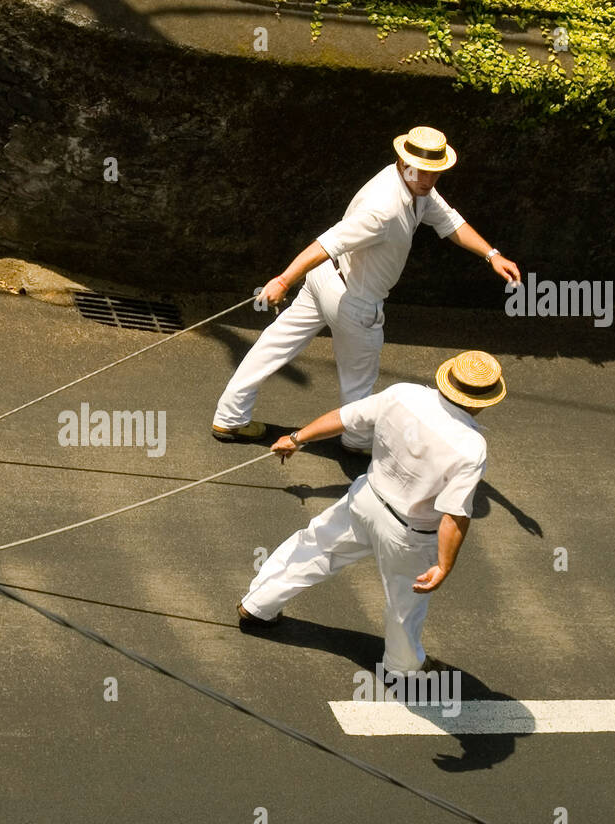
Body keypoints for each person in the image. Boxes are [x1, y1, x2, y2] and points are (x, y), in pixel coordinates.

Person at [212, 127, 521, 452]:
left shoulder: (415, 184)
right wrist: (283, 280)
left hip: (324, 280)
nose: (429, 180)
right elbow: (326, 243)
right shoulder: (383, 210)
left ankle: (230, 416)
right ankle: (357, 441)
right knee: (359, 381)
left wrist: (492, 255)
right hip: (354, 302)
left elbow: (449, 221)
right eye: (424, 172)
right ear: (403, 162)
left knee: (273, 345)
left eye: (435, 173)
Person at [237, 350, 506, 676]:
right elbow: (454, 514)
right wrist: (444, 565)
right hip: (409, 533)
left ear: (446, 378)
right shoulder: (470, 446)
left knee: (315, 547)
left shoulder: (403, 394)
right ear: (483, 401)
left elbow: (345, 417)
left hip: (365, 497)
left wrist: (297, 438)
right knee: (405, 603)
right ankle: (403, 668)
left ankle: (258, 605)